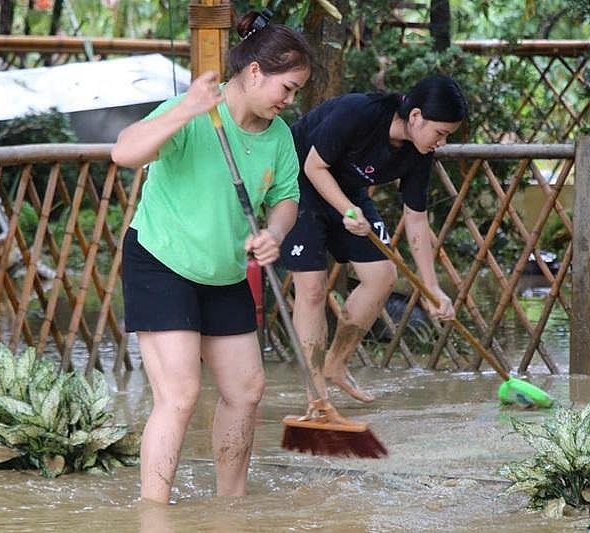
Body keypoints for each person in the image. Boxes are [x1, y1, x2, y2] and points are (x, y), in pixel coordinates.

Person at [112, 9, 313, 504]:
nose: (289, 101)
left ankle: (231, 506)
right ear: (253, 72)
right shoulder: (193, 110)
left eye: (295, 93)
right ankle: (153, 511)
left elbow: (286, 198)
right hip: (162, 260)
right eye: (286, 88)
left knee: (247, 390)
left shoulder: (280, 136)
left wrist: (274, 232)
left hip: (223, 272)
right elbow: (124, 153)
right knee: (179, 397)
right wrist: (186, 109)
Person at [279, 75, 468, 405]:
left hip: (347, 192)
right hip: (297, 184)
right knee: (311, 288)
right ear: (415, 116)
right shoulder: (359, 111)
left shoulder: (420, 153)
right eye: (440, 133)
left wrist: (432, 288)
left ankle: (335, 364)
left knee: (383, 276)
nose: (442, 143)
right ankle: (316, 395)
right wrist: (348, 211)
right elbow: (314, 166)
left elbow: (417, 218)